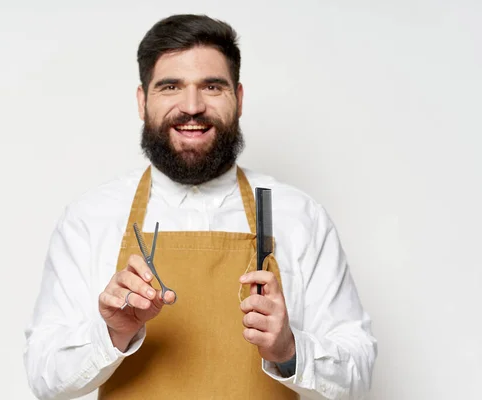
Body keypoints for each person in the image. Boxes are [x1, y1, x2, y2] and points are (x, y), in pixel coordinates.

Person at [23, 14, 377, 400]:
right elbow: (44, 377)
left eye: (211, 86)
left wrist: (290, 351)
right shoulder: (89, 219)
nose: (192, 106)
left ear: (238, 99)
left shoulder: (300, 216)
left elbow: (358, 375)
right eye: (170, 86)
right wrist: (112, 333)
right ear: (143, 101)